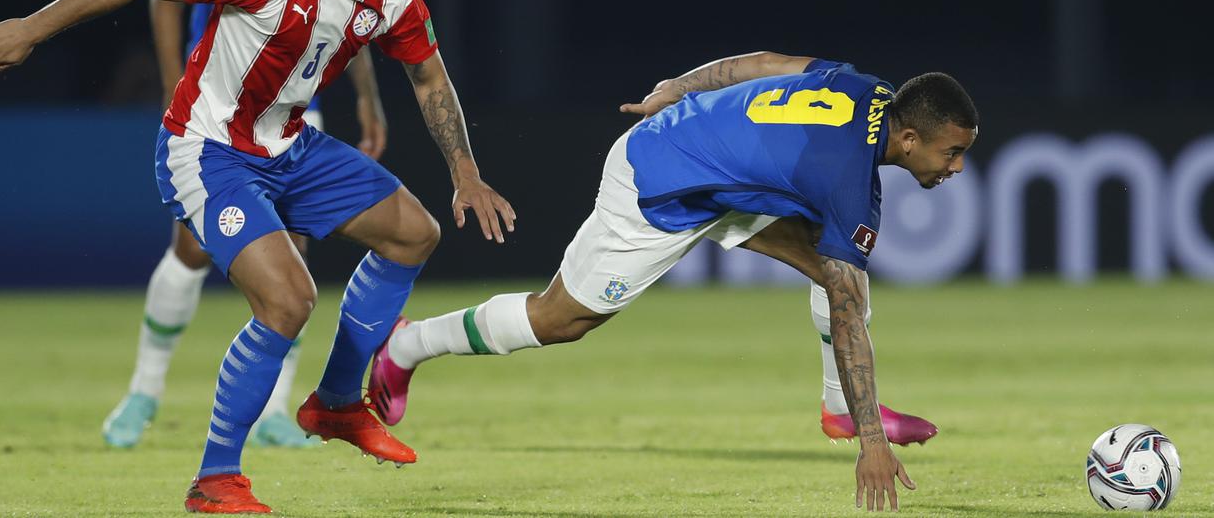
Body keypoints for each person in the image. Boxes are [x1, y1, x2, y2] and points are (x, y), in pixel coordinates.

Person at [0, 0, 515, 514]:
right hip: (206, 151)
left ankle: (335, 403)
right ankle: (214, 479)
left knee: (413, 233)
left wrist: (465, 173)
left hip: (288, 147)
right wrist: (31, 28)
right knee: (289, 301)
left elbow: (429, 78)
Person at [366, 52, 978, 512]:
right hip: (658, 183)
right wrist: (876, 444)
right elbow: (845, 318)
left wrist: (679, 87)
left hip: (710, 169)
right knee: (560, 320)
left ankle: (841, 409)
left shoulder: (864, 87)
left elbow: (763, 63)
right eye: (951, 154)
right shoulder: (852, 185)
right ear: (908, 137)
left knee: (834, 266)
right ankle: (406, 346)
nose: (955, 169)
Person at [103, 0, 390, 452]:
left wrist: (368, 99)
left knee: (294, 254)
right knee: (192, 249)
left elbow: (350, 2)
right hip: (222, 103)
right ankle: (144, 390)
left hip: (294, 108)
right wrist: (176, 83)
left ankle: (275, 411)